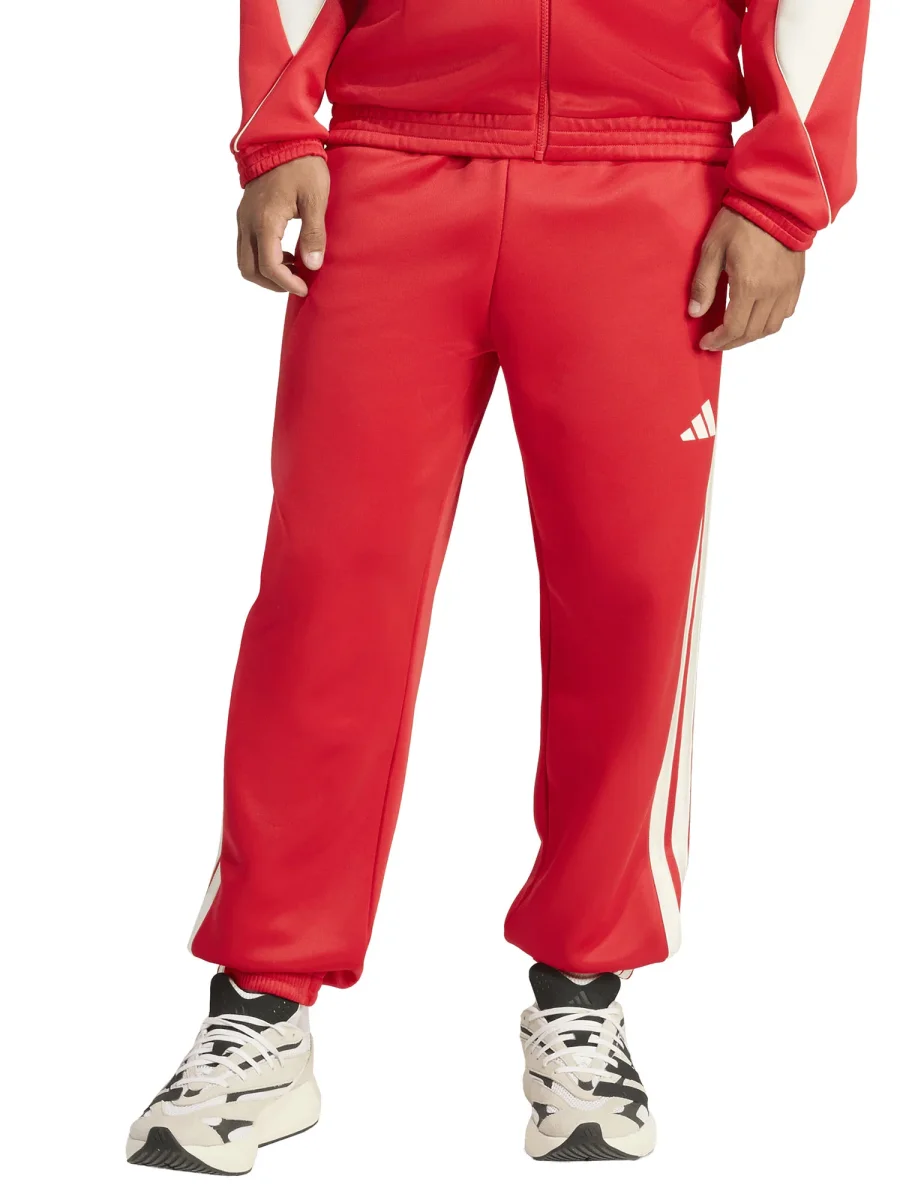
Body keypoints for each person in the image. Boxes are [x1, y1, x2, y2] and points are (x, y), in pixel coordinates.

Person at [127, 1, 869, 1173]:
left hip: (649, 177)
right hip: (388, 163)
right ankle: (260, 1006)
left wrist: (783, 193)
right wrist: (280, 133)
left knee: (629, 601)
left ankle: (584, 994)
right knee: (326, 593)